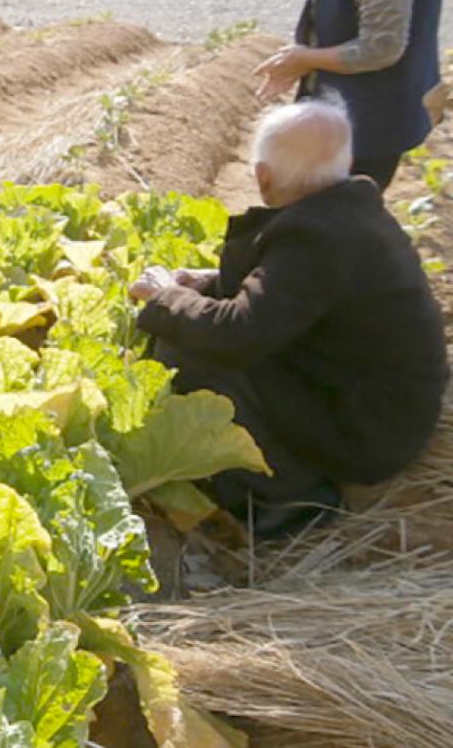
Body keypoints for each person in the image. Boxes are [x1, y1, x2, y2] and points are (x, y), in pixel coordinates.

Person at [130, 100, 448, 537]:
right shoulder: (349, 212)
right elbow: (288, 294)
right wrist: (203, 283)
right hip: (382, 406)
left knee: (191, 353)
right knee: (193, 328)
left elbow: (237, 333)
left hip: (368, 430)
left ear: (263, 177)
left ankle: (291, 500)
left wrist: (165, 297)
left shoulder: (313, 238)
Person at [254, 0, 443, 191]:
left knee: (337, 212)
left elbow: (381, 47)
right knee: (311, 208)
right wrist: (303, 55)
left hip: (375, 117)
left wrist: (306, 59)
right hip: (340, 106)